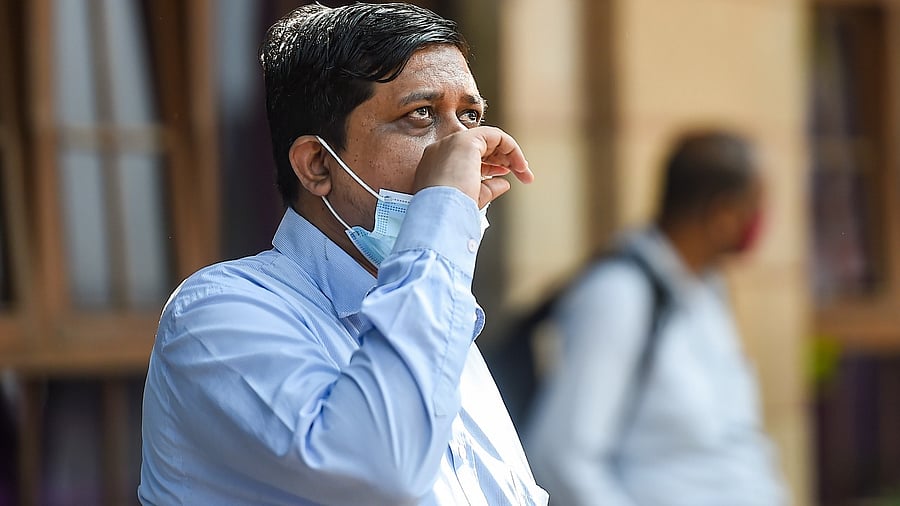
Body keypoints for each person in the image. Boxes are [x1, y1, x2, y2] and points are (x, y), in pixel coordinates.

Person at [138, 3, 548, 505]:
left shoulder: (439, 318)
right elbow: (383, 469)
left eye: (470, 117)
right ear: (316, 165)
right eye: (420, 114)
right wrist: (443, 214)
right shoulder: (215, 313)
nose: (466, 150)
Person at [523, 131, 786, 505]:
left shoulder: (707, 289)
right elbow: (561, 458)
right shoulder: (619, 293)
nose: (759, 221)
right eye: (754, 206)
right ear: (723, 214)